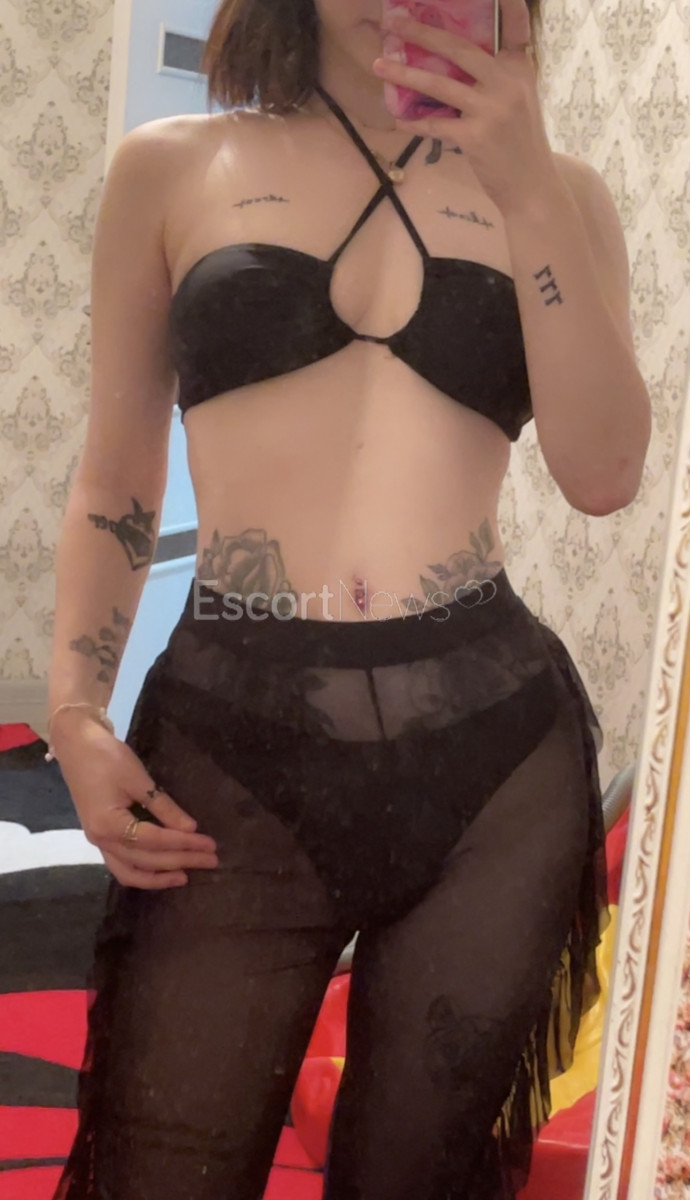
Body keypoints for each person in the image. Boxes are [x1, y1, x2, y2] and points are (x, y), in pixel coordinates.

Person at [47, 0, 651, 1196]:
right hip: (231, 748)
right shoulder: (173, 168)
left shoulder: (564, 196)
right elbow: (116, 474)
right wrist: (74, 708)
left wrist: (527, 186)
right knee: (162, 1165)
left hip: (494, 771)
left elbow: (603, 477)